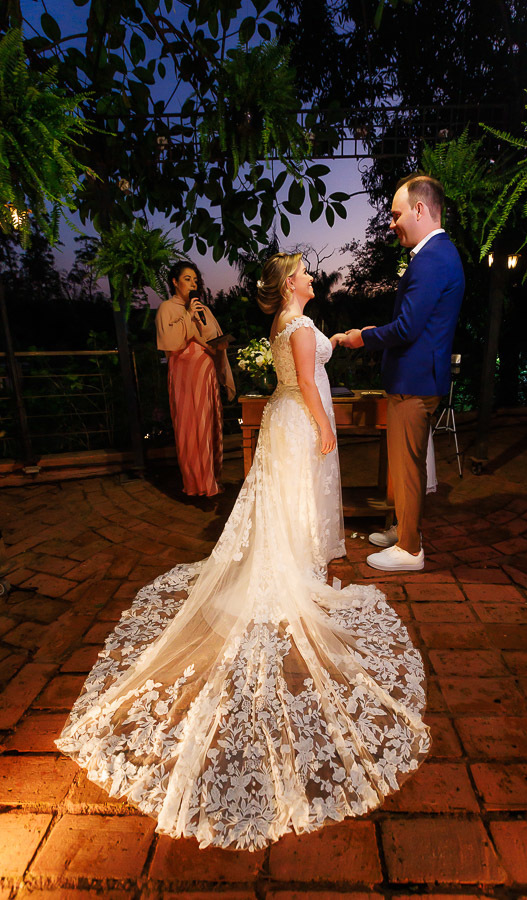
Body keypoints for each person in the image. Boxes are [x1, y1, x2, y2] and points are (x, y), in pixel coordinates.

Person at [56, 252, 430, 852]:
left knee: (282, 501)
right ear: (289, 284)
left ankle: (290, 558)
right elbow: (308, 381)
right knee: (293, 498)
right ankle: (293, 570)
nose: (312, 276)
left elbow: (299, 368)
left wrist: (326, 352)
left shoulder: (288, 323)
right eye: (305, 271)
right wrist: (326, 425)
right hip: (299, 418)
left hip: (283, 420)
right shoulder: (299, 325)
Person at [339, 174, 464, 572]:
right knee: (405, 463)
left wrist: (364, 337)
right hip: (416, 378)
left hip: (414, 382)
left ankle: (410, 549)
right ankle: (405, 528)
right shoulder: (437, 255)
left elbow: (407, 328)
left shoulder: (432, 259)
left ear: (420, 209)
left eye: (396, 215)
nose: (391, 223)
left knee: (408, 467)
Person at [155, 261, 235, 498]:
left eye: (195, 280)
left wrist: (213, 337)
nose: (193, 283)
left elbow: (214, 338)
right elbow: (169, 342)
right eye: (187, 279)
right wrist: (187, 317)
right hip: (185, 375)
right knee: (190, 427)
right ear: (175, 282)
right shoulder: (167, 308)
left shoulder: (203, 309)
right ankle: (195, 482)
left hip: (206, 372)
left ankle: (211, 479)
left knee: (208, 425)